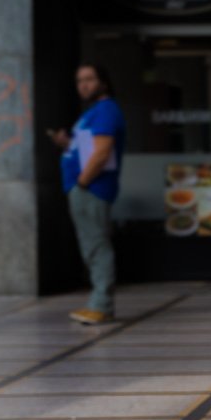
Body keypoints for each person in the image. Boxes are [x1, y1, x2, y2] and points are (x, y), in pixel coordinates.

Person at [47, 64, 125, 325]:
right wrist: (66, 145)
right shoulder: (93, 113)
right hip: (84, 187)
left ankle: (101, 304)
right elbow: (88, 149)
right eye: (80, 80)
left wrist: (82, 182)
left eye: (90, 79)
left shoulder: (105, 111)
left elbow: (102, 152)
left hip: (91, 189)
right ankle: (98, 301)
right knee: (90, 244)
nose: (84, 85)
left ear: (103, 82)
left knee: (96, 245)